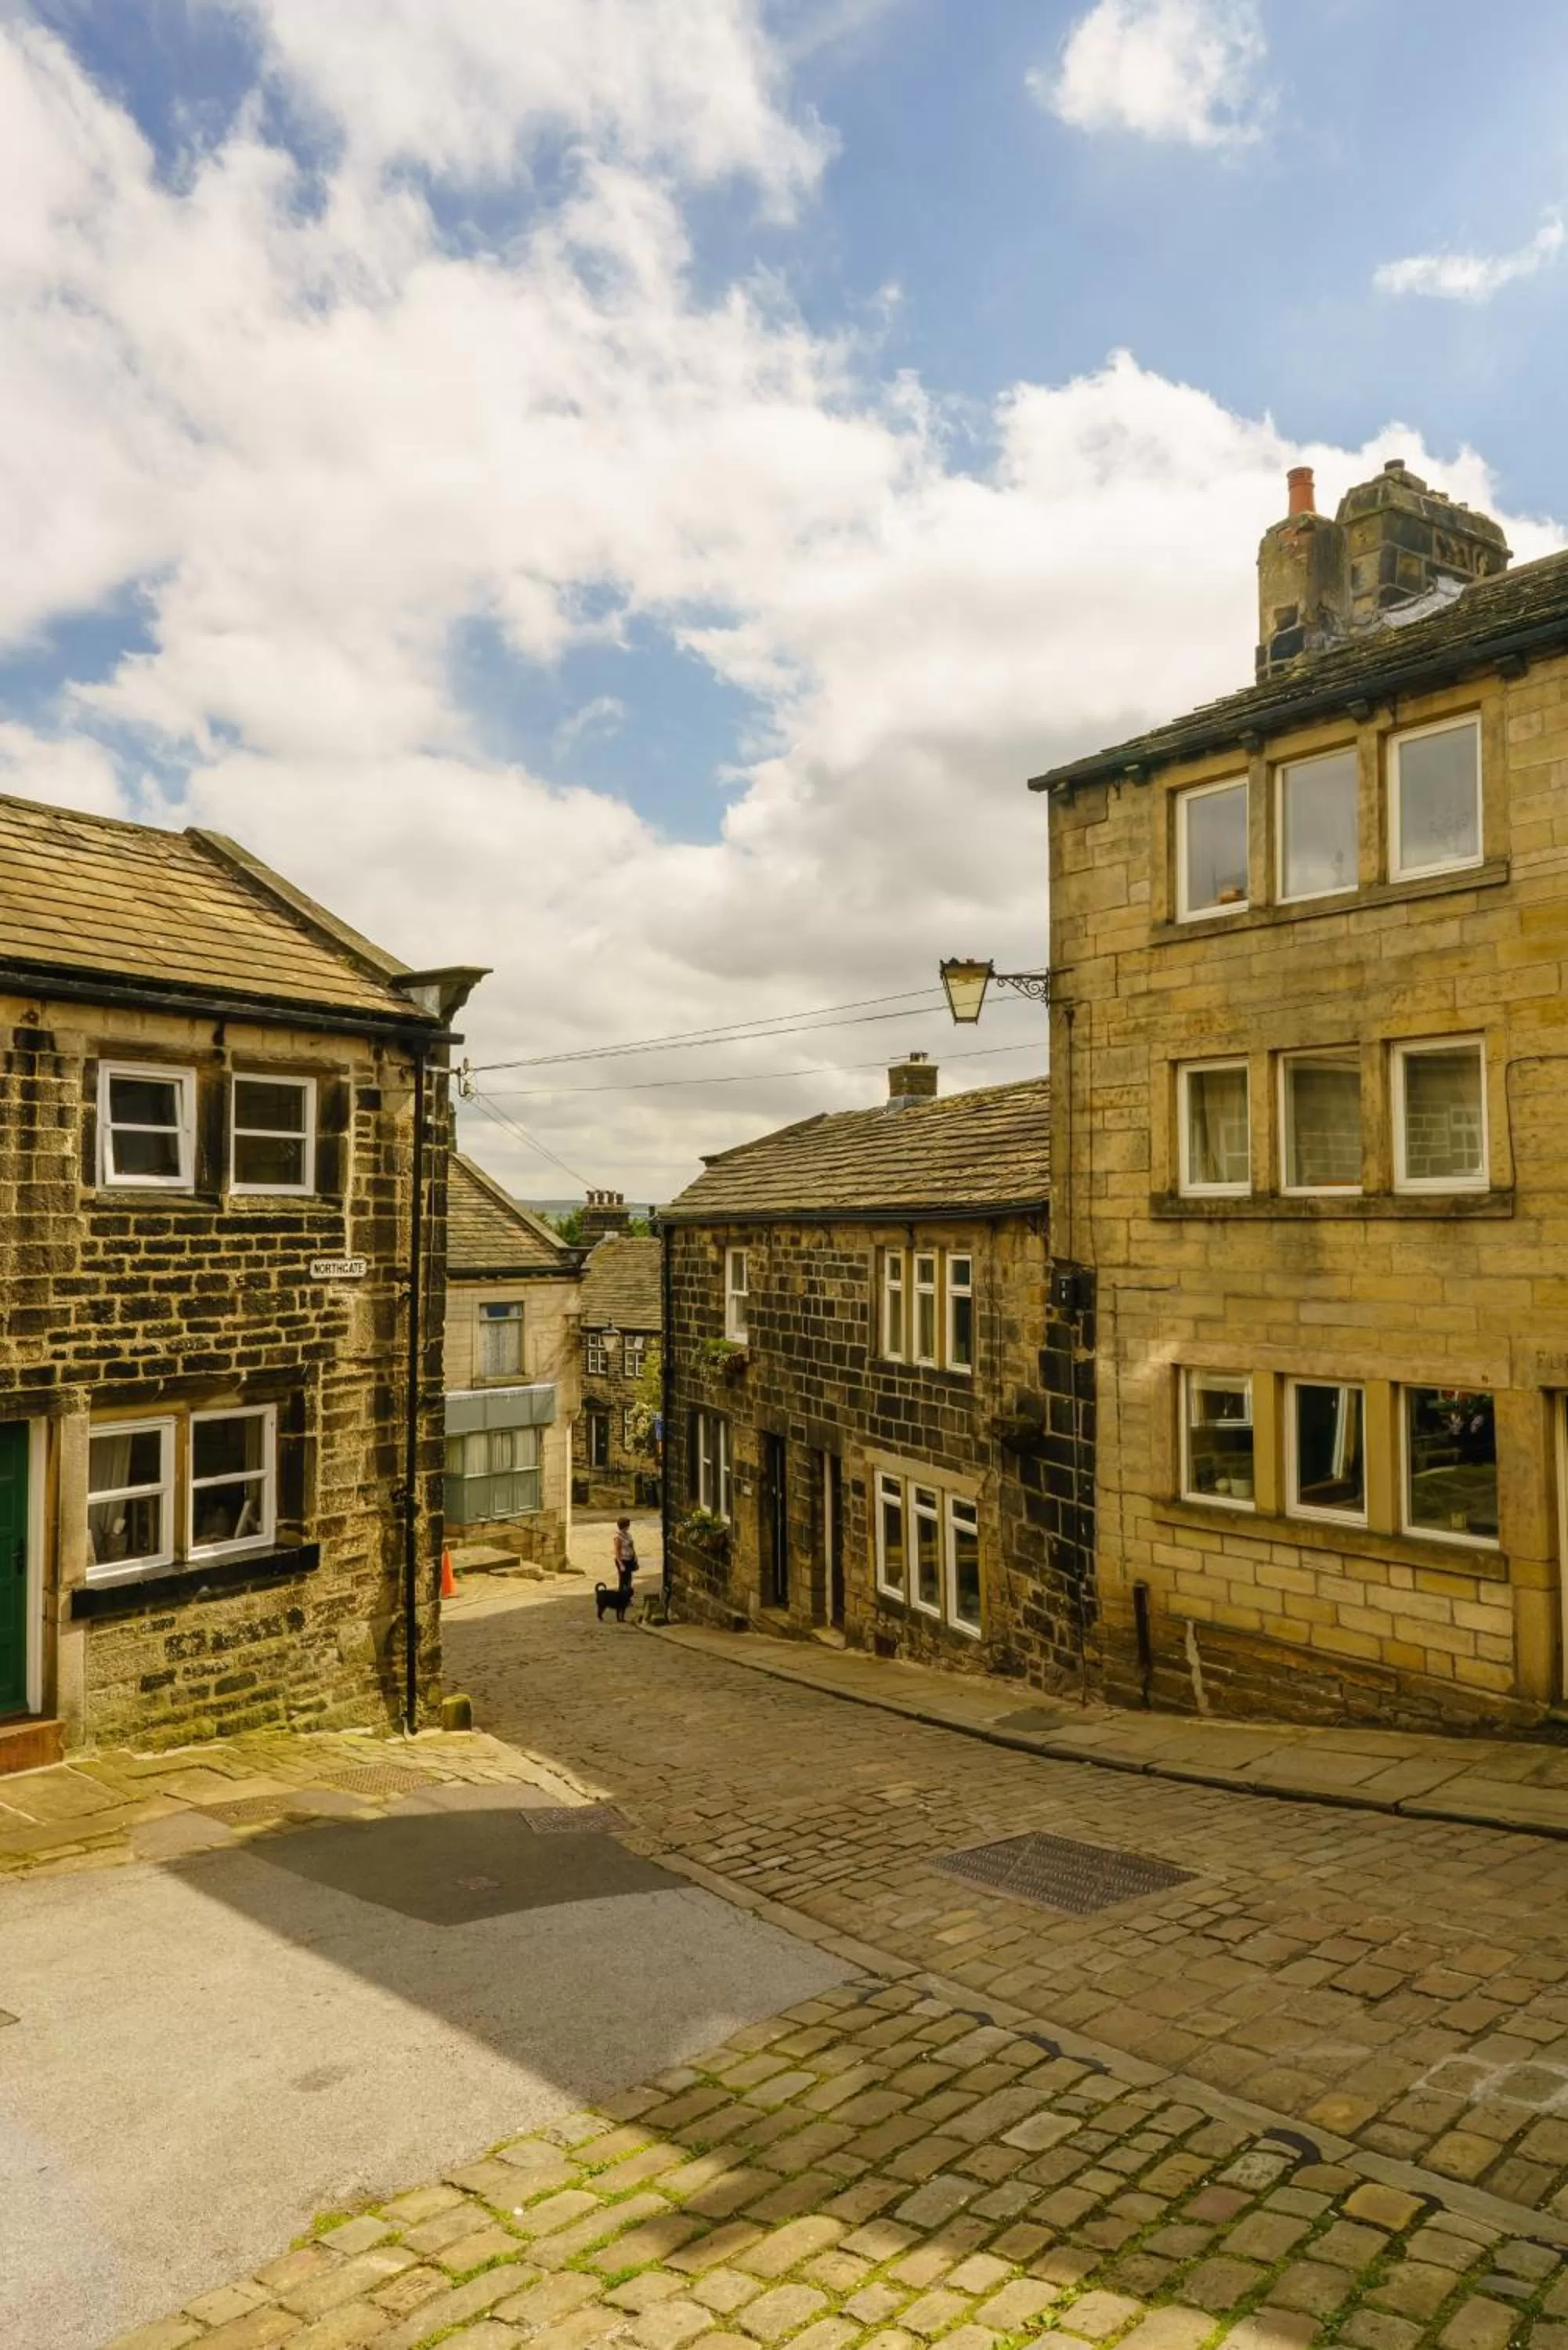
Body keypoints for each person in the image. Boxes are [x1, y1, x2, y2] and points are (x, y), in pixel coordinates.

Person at [612, 1517, 638, 1596]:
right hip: (623, 1560)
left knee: (629, 1579)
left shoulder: (628, 1535)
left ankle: (627, 1597)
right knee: (623, 1580)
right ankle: (621, 1597)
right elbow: (617, 1551)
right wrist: (620, 1564)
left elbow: (631, 1546)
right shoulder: (618, 1537)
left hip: (629, 1559)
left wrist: (635, 1555)